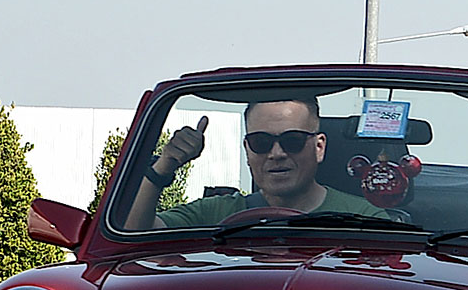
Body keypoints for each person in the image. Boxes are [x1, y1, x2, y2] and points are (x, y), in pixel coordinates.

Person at [124, 97, 392, 229]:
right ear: (247, 150)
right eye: (261, 143)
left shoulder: (366, 220)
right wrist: (164, 166)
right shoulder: (215, 213)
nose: (276, 153)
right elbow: (134, 235)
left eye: (292, 140)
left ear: (319, 147)